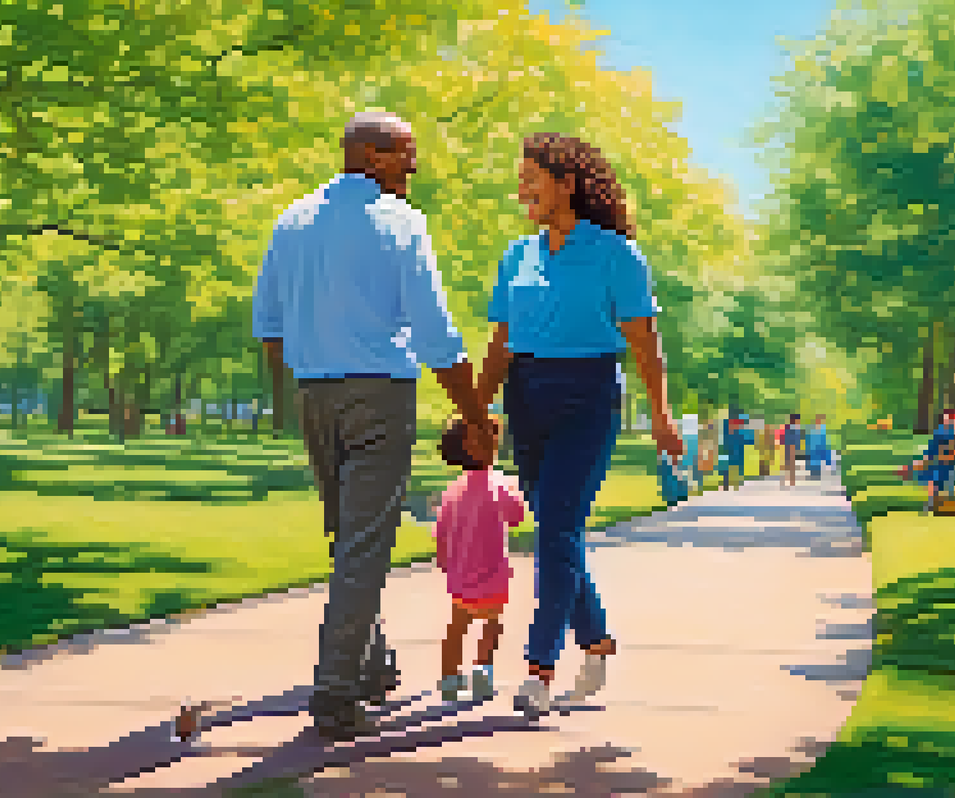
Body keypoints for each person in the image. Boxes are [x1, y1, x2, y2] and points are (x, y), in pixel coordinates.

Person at [251, 111, 494, 743]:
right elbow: (437, 333)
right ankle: (335, 692)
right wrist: (474, 415)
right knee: (364, 543)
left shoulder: (292, 221)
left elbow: (269, 327)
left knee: (346, 535)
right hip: (380, 395)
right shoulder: (400, 222)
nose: (413, 166)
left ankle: (372, 662)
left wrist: (311, 380)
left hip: (315, 394)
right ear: (368, 154)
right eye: (403, 154)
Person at [474, 132, 684, 718]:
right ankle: (595, 639)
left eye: (531, 179)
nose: (522, 190)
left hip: (589, 396)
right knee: (555, 528)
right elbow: (501, 344)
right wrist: (477, 409)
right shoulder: (517, 256)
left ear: (567, 183)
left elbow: (645, 343)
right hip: (526, 400)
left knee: (557, 527)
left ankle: (539, 668)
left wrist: (662, 415)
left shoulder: (616, 255)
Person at [433, 417, 525, 703]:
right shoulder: (501, 484)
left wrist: (444, 561)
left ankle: (449, 677)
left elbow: (441, 531)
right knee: (492, 622)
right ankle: (483, 670)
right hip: (494, 571)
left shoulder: (453, 490)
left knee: (457, 626)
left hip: (461, 573)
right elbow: (517, 516)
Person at [904, 409, 955, 513]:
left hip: (949, 464)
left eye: (950, 419)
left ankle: (938, 505)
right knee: (935, 482)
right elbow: (933, 449)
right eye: (946, 419)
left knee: (941, 483)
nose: (948, 421)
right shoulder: (941, 432)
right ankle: (933, 505)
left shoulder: (954, 433)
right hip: (941, 463)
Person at [719, 410, 753, 490]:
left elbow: (745, 435)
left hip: (733, 445)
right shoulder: (730, 424)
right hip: (732, 445)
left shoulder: (728, 424)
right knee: (734, 463)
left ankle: (732, 481)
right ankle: (731, 481)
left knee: (734, 463)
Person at [781, 413, 804, 488]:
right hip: (790, 446)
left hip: (790, 447)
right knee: (790, 464)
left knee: (790, 463)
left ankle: (789, 480)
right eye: (798, 420)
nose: (798, 422)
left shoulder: (792, 428)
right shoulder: (791, 428)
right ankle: (790, 480)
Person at [806, 413, 832, 478]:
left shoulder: (821, 431)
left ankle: (815, 475)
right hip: (815, 456)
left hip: (817, 456)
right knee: (815, 470)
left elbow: (825, 446)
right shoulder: (814, 432)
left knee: (817, 472)